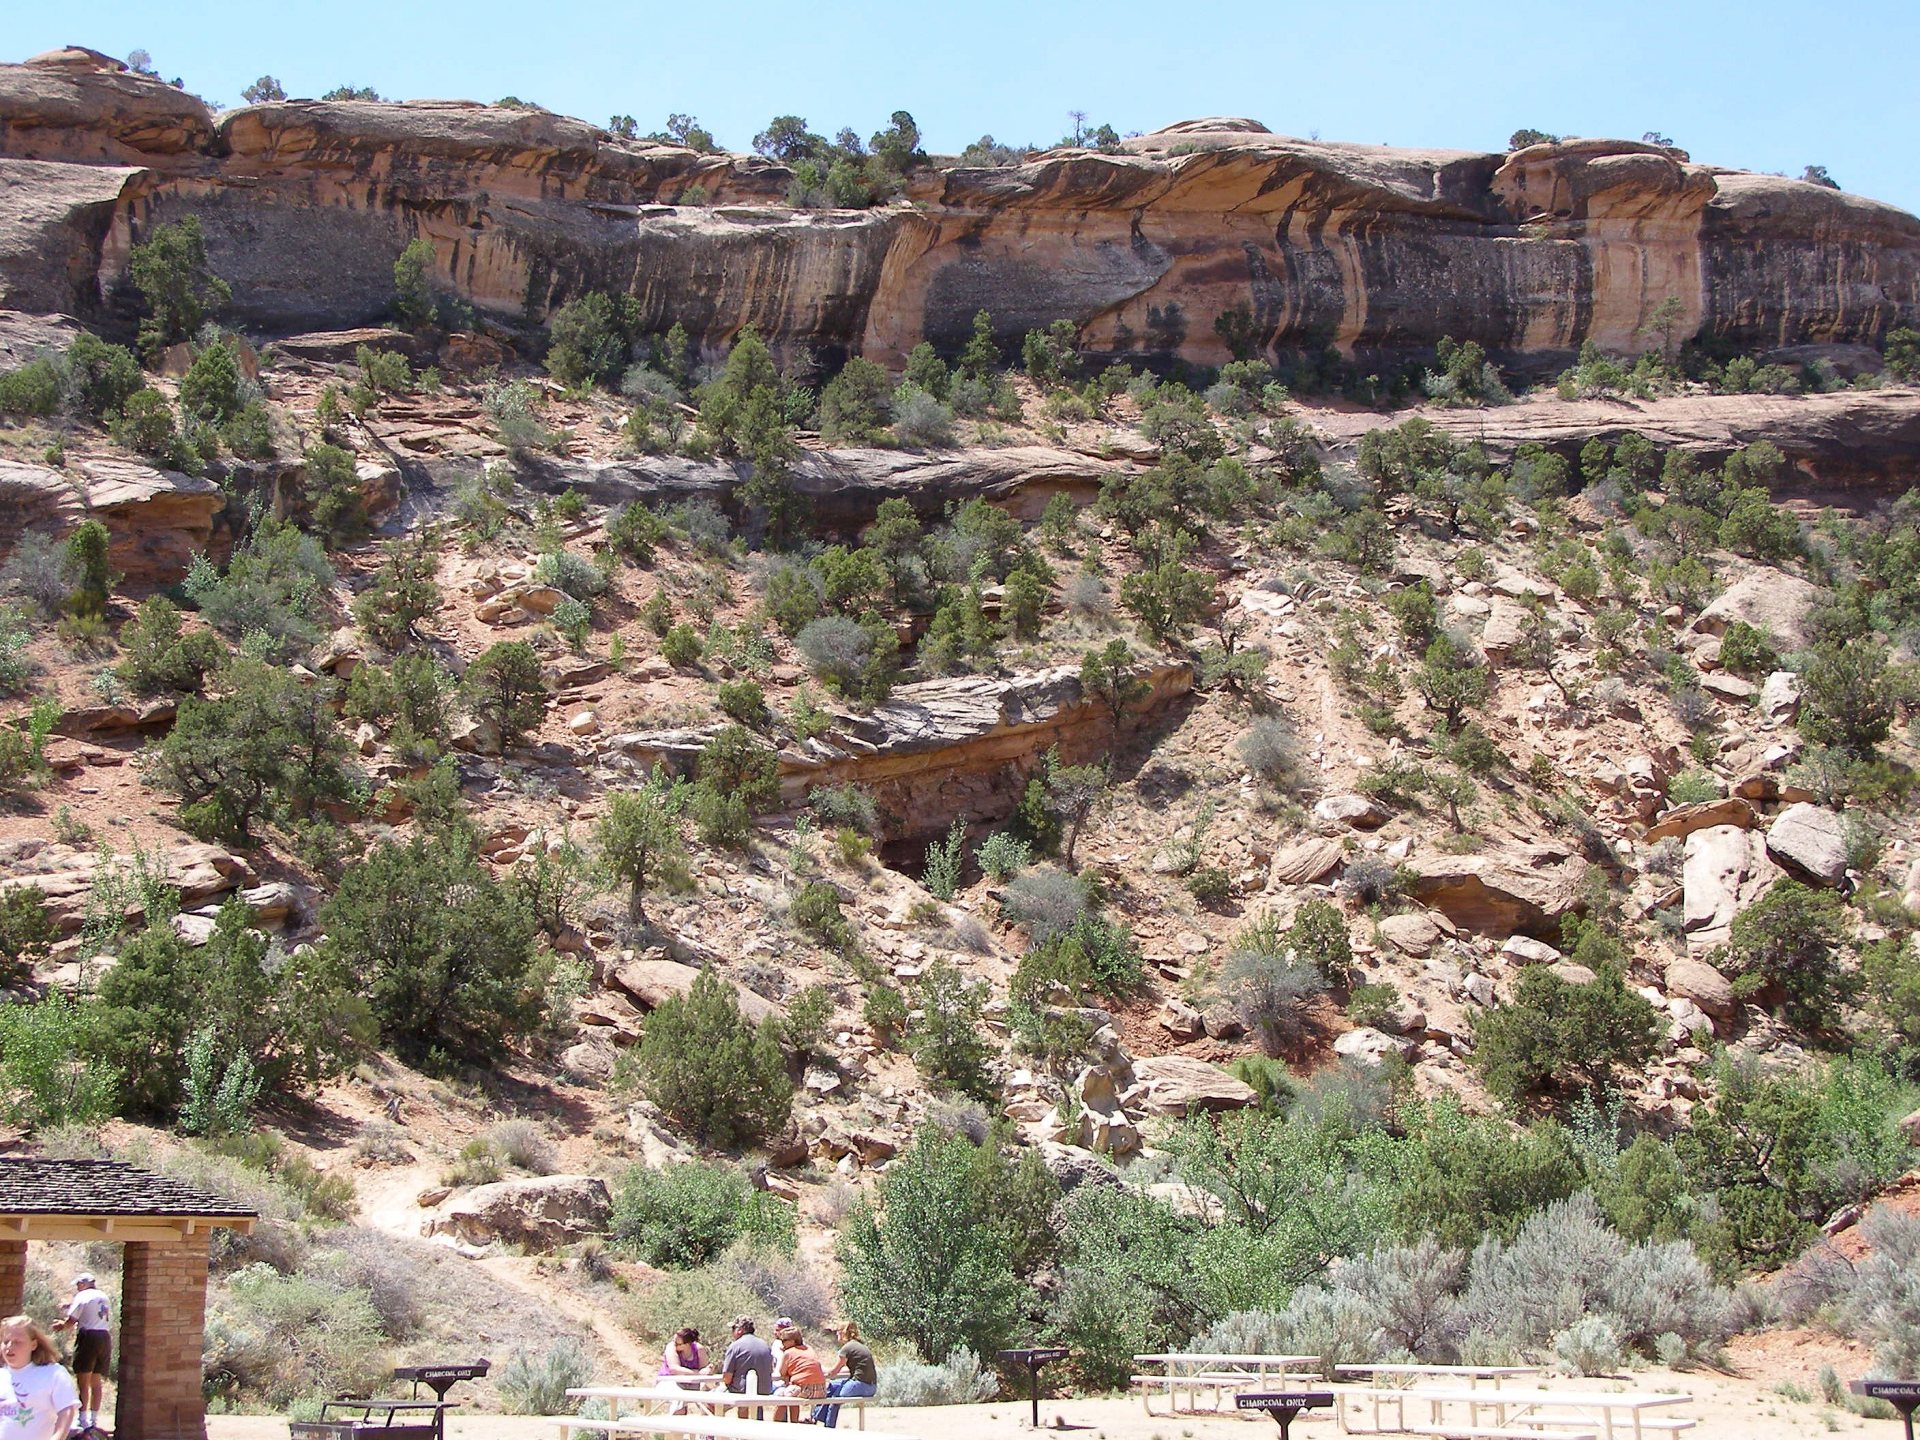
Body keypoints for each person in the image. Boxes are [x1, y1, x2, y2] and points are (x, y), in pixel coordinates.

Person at [0, 1316, 78, 1440]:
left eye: (17, 1342)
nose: (9, 1346)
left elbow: (67, 1411)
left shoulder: (53, 1373)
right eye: (5, 1341)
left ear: (34, 1345)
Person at [50, 1277, 108, 1437]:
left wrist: (60, 1326)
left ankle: (82, 1419)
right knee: (96, 1381)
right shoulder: (103, 1296)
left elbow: (72, 1320)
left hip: (88, 1337)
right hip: (104, 1337)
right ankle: (94, 1418)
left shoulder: (83, 1296)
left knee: (83, 1379)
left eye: (78, 1284)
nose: (77, 1287)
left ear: (84, 1284)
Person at [816, 1321, 877, 1429]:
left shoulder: (847, 1348)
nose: (836, 1335)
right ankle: (815, 1418)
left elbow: (833, 1372)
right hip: (871, 1387)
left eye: (838, 1332)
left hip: (860, 1385)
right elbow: (847, 1370)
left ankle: (828, 1429)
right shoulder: (859, 1345)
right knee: (832, 1386)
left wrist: (821, 1373)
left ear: (843, 1333)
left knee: (835, 1400)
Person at [719, 1316, 773, 1419]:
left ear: (740, 1330)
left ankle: (711, 1434)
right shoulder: (765, 1345)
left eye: (733, 1329)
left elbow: (727, 1377)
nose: (732, 1332)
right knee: (755, 1401)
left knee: (710, 1403)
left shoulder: (736, 1346)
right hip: (764, 1390)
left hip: (742, 1391)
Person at [771, 1327, 825, 1425]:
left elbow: (782, 1372)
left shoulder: (789, 1353)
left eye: (783, 1340)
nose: (781, 1343)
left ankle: (774, 1425)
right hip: (821, 1389)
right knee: (792, 1393)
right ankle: (794, 1423)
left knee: (782, 1396)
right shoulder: (809, 1349)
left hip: (805, 1388)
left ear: (792, 1341)